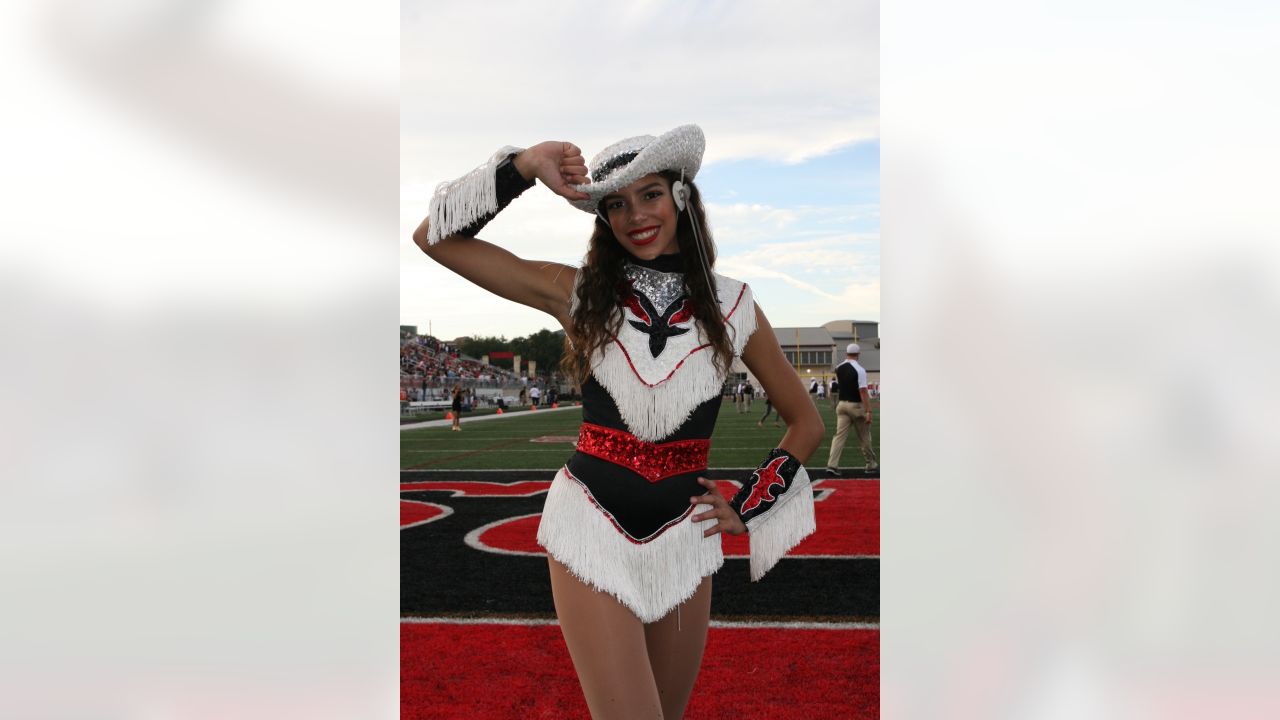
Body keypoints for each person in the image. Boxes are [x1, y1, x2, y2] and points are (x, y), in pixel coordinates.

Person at [413, 124, 823, 720]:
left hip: (688, 538)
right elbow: (435, 239)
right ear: (602, 218)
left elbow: (804, 422)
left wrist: (749, 506)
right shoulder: (576, 292)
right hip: (590, 528)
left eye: (650, 194)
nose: (636, 216)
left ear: (681, 194)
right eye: (616, 204)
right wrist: (524, 167)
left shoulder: (735, 305)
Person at [825, 343, 878, 475]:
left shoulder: (839, 368)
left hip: (842, 405)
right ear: (858, 354)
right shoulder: (859, 370)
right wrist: (869, 410)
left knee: (839, 437)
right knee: (864, 436)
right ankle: (870, 464)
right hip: (856, 405)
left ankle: (832, 465)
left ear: (846, 354)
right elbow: (863, 391)